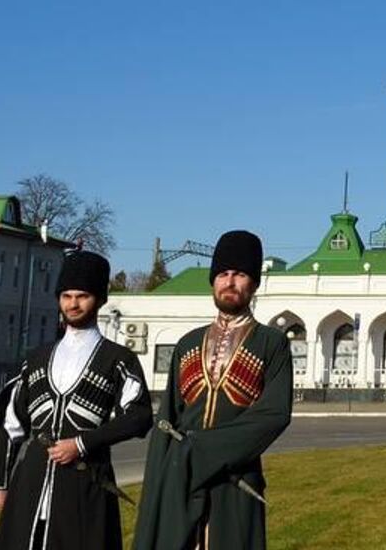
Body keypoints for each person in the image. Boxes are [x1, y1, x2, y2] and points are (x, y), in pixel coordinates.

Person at [134, 230, 293, 550]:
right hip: (180, 475)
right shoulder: (188, 344)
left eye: (240, 274)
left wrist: (201, 449)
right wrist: (160, 483)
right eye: (222, 273)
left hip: (235, 480)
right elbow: (168, 419)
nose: (230, 282)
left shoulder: (270, 343)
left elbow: (273, 415)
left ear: (254, 283)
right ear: (212, 280)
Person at [0, 251, 151, 550]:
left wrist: (82, 443)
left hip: (86, 483)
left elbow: (139, 417)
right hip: (31, 483)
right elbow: (12, 425)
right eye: (66, 295)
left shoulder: (118, 359)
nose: (73, 304)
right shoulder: (35, 359)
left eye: (83, 296)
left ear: (100, 300)